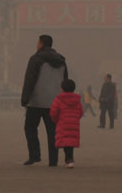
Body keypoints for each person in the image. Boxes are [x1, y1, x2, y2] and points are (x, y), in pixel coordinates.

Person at [21, 34, 68, 167]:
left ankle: (34, 156)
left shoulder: (36, 59)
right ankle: (53, 160)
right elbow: (65, 81)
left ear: (41, 44)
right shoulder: (61, 61)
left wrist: (25, 99)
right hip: (55, 102)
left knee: (30, 128)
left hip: (36, 101)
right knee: (53, 131)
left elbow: (29, 79)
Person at [50, 79, 84, 169]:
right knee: (70, 141)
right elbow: (80, 111)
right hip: (74, 123)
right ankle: (70, 159)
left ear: (62, 88)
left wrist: (56, 120)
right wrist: (75, 118)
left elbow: (53, 112)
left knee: (66, 141)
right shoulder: (77, 100)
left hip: (62, 122)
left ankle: (69, 160)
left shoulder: (59, 99)